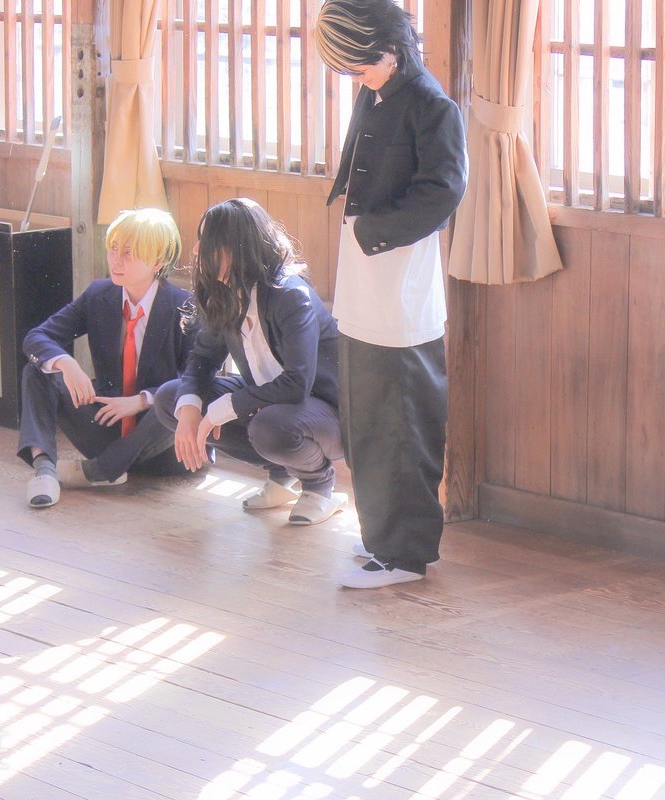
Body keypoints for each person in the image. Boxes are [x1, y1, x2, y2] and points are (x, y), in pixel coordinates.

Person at [313, 0, 467, 588]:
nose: (356, 76)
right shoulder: (373, 92)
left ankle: (404, 555)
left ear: (392, 49)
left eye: (359, 65)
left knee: (404, 423)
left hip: (402, 286)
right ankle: (380, 536)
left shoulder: (433, 106)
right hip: (362, 281)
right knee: (366, 420)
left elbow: (442, 193)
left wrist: (372, 232)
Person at [153, 198, 345, 527]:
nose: (197, 250)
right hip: (271, 402)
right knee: (171, 399)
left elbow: (297, 384)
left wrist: (226, 406)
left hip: (325, 413)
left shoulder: (290, 295)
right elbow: (202, 358)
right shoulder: (226, 290)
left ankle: (319, 485)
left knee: (270, 426)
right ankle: (281, 475)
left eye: (207, 240)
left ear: (235, 248)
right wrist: (190, 408)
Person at [19, 207, 194, 508]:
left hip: (164, 445)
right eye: (113, 248)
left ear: (158, 261)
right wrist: (67, 363)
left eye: (129, 252)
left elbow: (196, 380)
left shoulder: (185, 307)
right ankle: (45, 471)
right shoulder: (99, 295)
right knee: (37, 370)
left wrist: (141, 400)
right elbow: (37, 337)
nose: (116, 260)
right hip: (106, 426)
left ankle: (99, 471)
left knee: (178, 396)